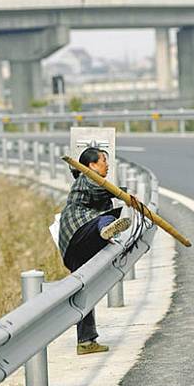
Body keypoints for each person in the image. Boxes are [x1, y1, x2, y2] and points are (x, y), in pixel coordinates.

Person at [59, 147, 132, 355]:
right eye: (103, 161)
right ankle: (105, 230)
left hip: (73, 247)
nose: (107, 165)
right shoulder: (86, 178)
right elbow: (104, 189)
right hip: (79, 232)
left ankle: (86, 340)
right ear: (91, 165)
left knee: (84, 288)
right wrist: (125, 194)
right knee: (107, 217)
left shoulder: (89, 181)